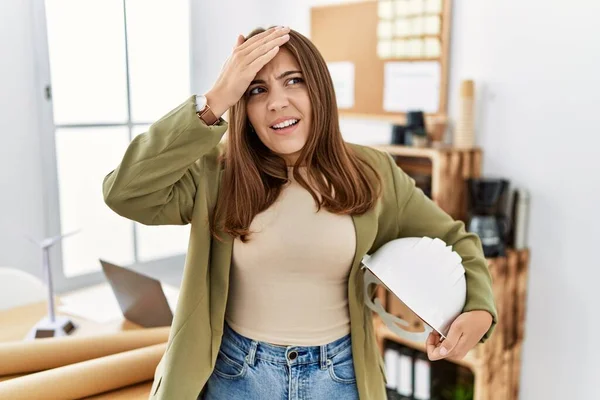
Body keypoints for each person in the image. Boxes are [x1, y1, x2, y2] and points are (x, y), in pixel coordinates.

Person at [103, 26, 497, 400]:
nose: (277, 102)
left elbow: (455, 240)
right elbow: (126, 192)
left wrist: (479, 308)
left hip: (339, 377)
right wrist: (214, 102)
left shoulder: (372, 171)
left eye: (294, 81)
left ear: (319, 89)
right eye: (256, 89)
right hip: (237, 374)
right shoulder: (217, 173)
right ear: (243, 105)